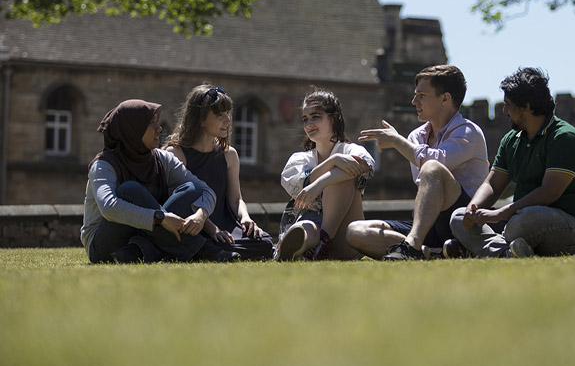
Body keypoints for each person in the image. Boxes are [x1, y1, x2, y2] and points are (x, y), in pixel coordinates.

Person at [449, 67, 575, 258]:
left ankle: (483, 248)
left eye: (508, 105)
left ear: (526, 106)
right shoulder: (511, 140)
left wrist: (501, 213)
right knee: (458, 217)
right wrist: (473, 208)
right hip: (519, 218)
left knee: (522, 221)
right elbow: (492, 184)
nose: (504, 111)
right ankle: (508, 253)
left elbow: (549, 192)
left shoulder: (564, 137)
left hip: (572, 228)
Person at [346, 64, 489, 260]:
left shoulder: (469, 132)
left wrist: (397, 141)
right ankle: (430, 253)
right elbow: (423, 179)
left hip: (464, 223)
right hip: (427, 226)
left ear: (445, 98)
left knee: (432, 167)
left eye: (421, 95)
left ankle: (412, 246)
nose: (414, 101)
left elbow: (435, 164)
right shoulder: (416, 136)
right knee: (356, 230)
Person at [81, 99, 238, 264]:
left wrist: (201, 214)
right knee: (129, 190)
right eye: (151, 124)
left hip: (141, 239)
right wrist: (160, 218)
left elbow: (204, 189)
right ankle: (202, 249)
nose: (159, 128)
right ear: (133, 129)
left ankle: (138, 251)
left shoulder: (162, 159)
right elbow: (109, 207)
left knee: (191, 189)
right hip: (104, 245)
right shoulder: (104, 165)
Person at [165, 84, 274, 260]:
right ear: (200, 120)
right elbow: (181, 203)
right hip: (192, 225)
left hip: (226, 226)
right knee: (212, 242)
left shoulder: (229, 155)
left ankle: (219, 252)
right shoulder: (176, 154)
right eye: (220, 115)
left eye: (228, 114)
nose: (228, 121)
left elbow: (235, 199)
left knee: (265, 242)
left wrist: (246, 218)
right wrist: (212, 229)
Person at [276, 88, 375, 261]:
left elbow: (366, 165)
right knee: (307, 226)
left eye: (315, 116)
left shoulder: (350, 150)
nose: (308, 124)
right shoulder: (299, 159)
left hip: (346, 235)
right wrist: (333, 161)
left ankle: (323, 242)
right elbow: (304, 185)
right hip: (311, 224)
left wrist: (321, 182)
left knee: (342, 175)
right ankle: (299, 246)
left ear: (334, 117)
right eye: (305, 119)